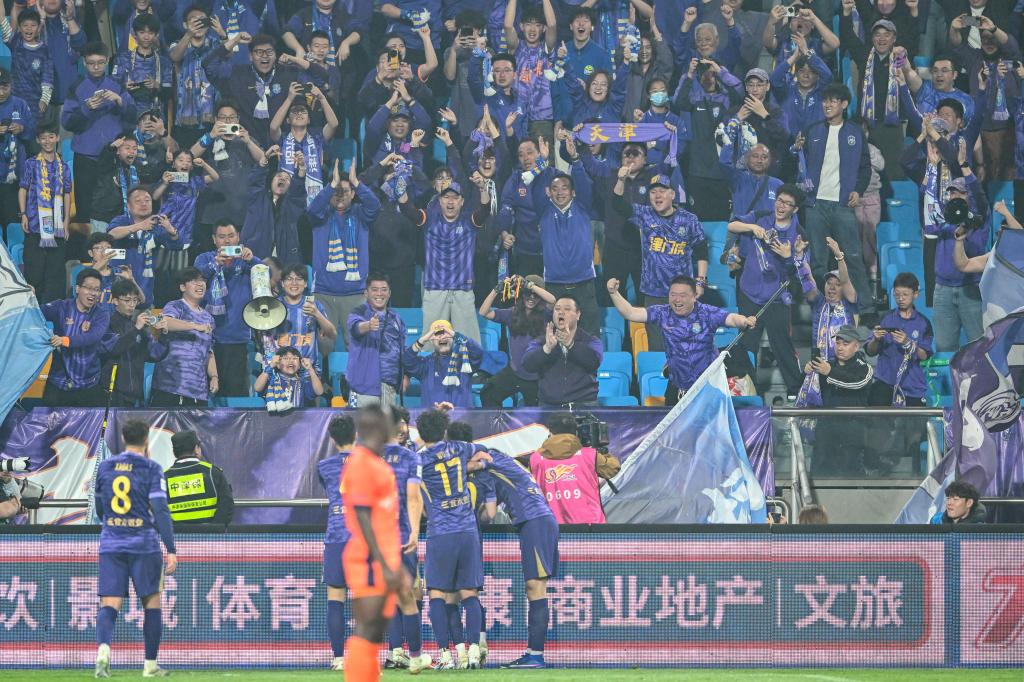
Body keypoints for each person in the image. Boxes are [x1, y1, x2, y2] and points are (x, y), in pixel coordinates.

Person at [93, 418, 177, 679]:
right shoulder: (151, 468)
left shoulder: (105, 467)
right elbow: (161, 510)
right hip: (144, 545)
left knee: (110, 603)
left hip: (111, 543)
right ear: (146, 439)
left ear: (123, 438)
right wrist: (171, 548)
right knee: (151, 603)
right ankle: (150, 666)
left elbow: (99, 507)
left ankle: (103, 650)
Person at [415, 408, 492, 670]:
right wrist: (479, 464)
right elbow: (484, 451)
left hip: (441, 531)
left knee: (437, 593)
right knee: (469, 592)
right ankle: (473, 651)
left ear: (421, 433)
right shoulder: (460, 447)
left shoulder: (419, 460)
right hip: (468, 530)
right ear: (444, 430)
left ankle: (447, 654)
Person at [339, 406, 409, 681]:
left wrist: (395, 564)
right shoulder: (361, 463)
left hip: (384, 557)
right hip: (369, 559)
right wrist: (383, 563)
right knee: (367, 627)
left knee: (377, 630)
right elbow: (362, 516)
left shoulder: (376, 462)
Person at [606, 276, 756, 402]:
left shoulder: (707, 313)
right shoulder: (662, 313)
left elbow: (732, 319)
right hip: (677, 387)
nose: (677, 299)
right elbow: (630, 313)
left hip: (707, 387)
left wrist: (744, 321)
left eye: (683, 295)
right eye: (673, 294)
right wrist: (614, 293)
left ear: (694, 296)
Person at [475, 448, 558, 670]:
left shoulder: (489, 461)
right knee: (534, 588)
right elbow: (489, 507)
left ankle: (536, 656)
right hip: (537, 520)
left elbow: (487, 513)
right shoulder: (503, 464)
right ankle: (532, 654)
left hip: (535, 521)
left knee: (536, 588)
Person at [796, 82, 874, 316]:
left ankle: (865, 309)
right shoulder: (812, 131)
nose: (827, 105)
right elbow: (800, 166)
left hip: (842, 206)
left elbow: (865, 167)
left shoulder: (855, 132)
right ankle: (821, 309)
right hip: (815, 205)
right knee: (818, 261)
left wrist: (858, 190)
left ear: (844, 104)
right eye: (825, 100)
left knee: (852, 258)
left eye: (833, 100)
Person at [728, 184, 807, 399]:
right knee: (747, 346)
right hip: (749, 294)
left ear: (795, 209)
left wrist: (788, 257)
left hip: (776, 298)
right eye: (779, 200)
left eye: (787, 204)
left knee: (782, 345)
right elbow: (732, 225)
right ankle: (750, 391)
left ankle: (795, 392)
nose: (781, 206)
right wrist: (752, 227)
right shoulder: (760, 216)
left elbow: (800, 272)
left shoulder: (799, 234)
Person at [307, 159, 383, 348]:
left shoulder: (361, 214)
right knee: (322, 346)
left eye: (345, 191)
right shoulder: (321, 215)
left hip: (355, 293)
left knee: (357, 346)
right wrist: (331, 185)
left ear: (353, 193)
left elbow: (374, 205)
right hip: (324, 293)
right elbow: (312, 209)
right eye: (336, 191)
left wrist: (356, 182)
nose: (340, 195)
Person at [529, 136, 601, 335]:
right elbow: (536, 187)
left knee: (590, 334)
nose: (560, 192)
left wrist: (575, 159)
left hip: (584, 282)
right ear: (548, 192)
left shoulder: (582, 206)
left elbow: (584, 184)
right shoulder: (544, 210)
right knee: (556, 334)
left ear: (573, 192)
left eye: (564, 188)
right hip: (554, 284)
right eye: (555, 189)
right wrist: (542, 162)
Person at [382, 414, 428, 673]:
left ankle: (395, 652)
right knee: (407, 595)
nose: (403, 429)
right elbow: (413, 498)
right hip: (400, 535)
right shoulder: (410, 458)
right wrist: (414, 532)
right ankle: (414, 656)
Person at [194, 222, 260, 396]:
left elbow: (265, 276)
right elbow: (195, 279)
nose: (227, 241)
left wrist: (253, 260)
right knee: (208, 391)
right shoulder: (204, 258)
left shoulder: (246, 261)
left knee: (236, 391)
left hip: (236, 336)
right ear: (214, 239)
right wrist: (215, 264)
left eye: (231, 236)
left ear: (238, 237)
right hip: (208, 334)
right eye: (222, 237)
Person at [806, 325, 874, 476]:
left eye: (845, 344)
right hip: (826, 426)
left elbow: (856, 384)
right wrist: (807, 374)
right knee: (820, 470)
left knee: (850, 471)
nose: (840, 347)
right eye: (837, 343)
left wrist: (829, 373)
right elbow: (808, 391)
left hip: (852, 426)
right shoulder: (825, 365)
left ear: (856, 347)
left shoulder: (865, 368)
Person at [529, 412, 620, 524]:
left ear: (550, 432)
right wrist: (602, 451)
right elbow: (613, 468)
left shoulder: (535, 459)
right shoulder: (589, 455)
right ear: (576, 432)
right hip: (589, 526)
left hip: (551, 525)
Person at [478, 275, 555, 408]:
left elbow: (553, 300)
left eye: (535, 295)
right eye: (527, 294)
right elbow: (483, 312)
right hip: (514, 372)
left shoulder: (546, 315)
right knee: (488, 393)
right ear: (521, 294)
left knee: (536, 412)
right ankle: (498, 421)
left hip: (536, 377)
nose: (531, 298)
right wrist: (496, 290)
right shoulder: (511, 313)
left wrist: (529, 285)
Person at [41, 268, 112, 407]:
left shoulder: (102, 314)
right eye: (89, 288)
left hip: (88, 385)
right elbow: (35, 314)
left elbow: (93, 337)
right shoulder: (61, 307)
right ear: (77, 289)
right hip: (58, 382)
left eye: (97, 290)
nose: (93, 293)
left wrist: (64, 340)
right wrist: (30, 298)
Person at [317, 414, 354, 671]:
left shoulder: (324, 466)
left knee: (335, 597)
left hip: (337, 537)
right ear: (356, 436)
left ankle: (339, 658)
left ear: (332, 439)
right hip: (363, 537)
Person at [149, 267, 217, 407]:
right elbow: (165, 322)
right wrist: (195, 326)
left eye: (202, 281)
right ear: (182, 287)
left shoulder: (208, 318)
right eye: (194, 281)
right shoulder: (175, 306)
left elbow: (209, 352)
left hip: (198, 391)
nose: (200, 284)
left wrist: (214, 376)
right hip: (170, 387)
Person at [19, 124, 71, 303]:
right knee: (34, 272)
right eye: (43, 138)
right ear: (38, 140)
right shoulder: (31, 163)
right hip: (35, 225)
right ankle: (34, 308)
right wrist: (23, 214)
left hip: (57, 228)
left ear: (57, 138)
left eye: (51, 137)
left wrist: (66, 222)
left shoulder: (64, 167)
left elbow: (67, 193)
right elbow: (23, 189)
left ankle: (52, 309)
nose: (47, 141)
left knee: (55, 273)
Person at [521, 296, 603, 408]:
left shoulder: (591, 341)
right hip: (549, 406)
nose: (561, 312)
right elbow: (527, 365)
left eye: (567, 309)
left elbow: (593, 362)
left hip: (584, 405)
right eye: (557, 309)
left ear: (578, 314)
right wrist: (547, 349)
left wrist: (571, 344)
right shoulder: (542, 341)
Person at [867, 272, 934, 407]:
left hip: (912, 385)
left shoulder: (923, 323)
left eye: (905, 295)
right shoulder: (885, 318)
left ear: (915, 294)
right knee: (876, 418)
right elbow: (870, 351)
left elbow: (924, 355)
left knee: (914, 420)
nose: (900, 298)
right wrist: (875, 340)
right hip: (885, 382)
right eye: (897, 295)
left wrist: (908, 343)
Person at [346, 273, 407, 407]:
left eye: (384, 289)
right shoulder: (359, 312)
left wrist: (405, 375)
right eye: (374, 289)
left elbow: (402, 350)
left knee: (389, 422)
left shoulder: (396, 318)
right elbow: (355, 328)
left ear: (389, 293)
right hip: (363, 387)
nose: (379, 293)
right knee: (362, 422)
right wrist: (368, 325)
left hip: (390, 386)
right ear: (366, 293)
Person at [99, 279, 158, 407]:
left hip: (134, 393)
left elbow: (153, 356)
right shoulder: (107, 323)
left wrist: (164, 336)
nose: (132, 305)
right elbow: (115, 348)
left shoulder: (137, 326)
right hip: (111, 392)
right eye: (127, 300)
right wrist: (136, 329)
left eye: (135, 300)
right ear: (115, 301)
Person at [403, 319, 484, 409]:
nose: (442, 337)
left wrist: (457, 335)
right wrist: (422, 340)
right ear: (431, 341)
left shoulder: (465, 361)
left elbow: (478, 352)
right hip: (433, 416)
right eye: (437, 334)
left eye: (446, 333)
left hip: (461, 416)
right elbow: (406, 361)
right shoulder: (425, 364)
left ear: (453, 338)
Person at [164, 430, 234, 526]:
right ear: (196, 449)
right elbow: (227, 505)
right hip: (210, 534)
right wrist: (214, 529)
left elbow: (158, 510)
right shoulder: (212, 472)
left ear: (174, 452)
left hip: (176, 534)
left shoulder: (163, 477)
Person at [253, 347, 325, 410]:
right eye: (285, 358)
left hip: (297, 419)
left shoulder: (302, 383)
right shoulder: (272, 380)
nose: (290, 361)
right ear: (278, 365)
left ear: (299, 365)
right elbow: (257, 388)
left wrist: (310, 369)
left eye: (294, 358)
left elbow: (319, 391)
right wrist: (271, 365)